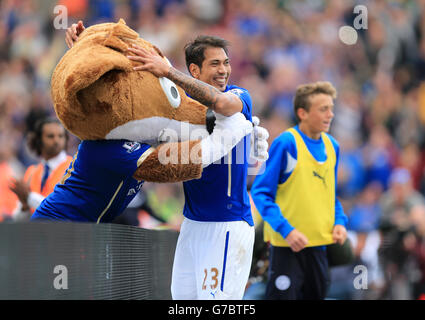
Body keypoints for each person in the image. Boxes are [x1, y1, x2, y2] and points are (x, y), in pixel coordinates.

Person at [66, 22, 269, 299]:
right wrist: (86, 48)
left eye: (226, 63)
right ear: (195, 70)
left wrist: (169, 72)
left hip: (228, 225)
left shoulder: (237, 95)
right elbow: (129, 83)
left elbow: (223, 106)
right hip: (192, 224)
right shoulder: (179, 108)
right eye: (215, 64)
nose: (223, 70)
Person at [250, 81, 348, 300]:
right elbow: (261, 192)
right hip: (287, 248)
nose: (330, 115)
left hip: (319, 247)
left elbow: (329, 196)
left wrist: (340, 222)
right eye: (323, 109)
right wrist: (287, 230)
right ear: (302, 113)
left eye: (331, 108)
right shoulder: (287, 143)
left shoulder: (333, 146)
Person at [9, 117, 72, 221]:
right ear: (39, 140)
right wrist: (24, 205)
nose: (56, 140)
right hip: (36, 234)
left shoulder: (73, 167)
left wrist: (29, 197)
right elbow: (18, 219)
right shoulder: (31, 172)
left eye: (60, 136)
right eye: (50, 136)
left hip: (63, 234)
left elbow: (60, 210)